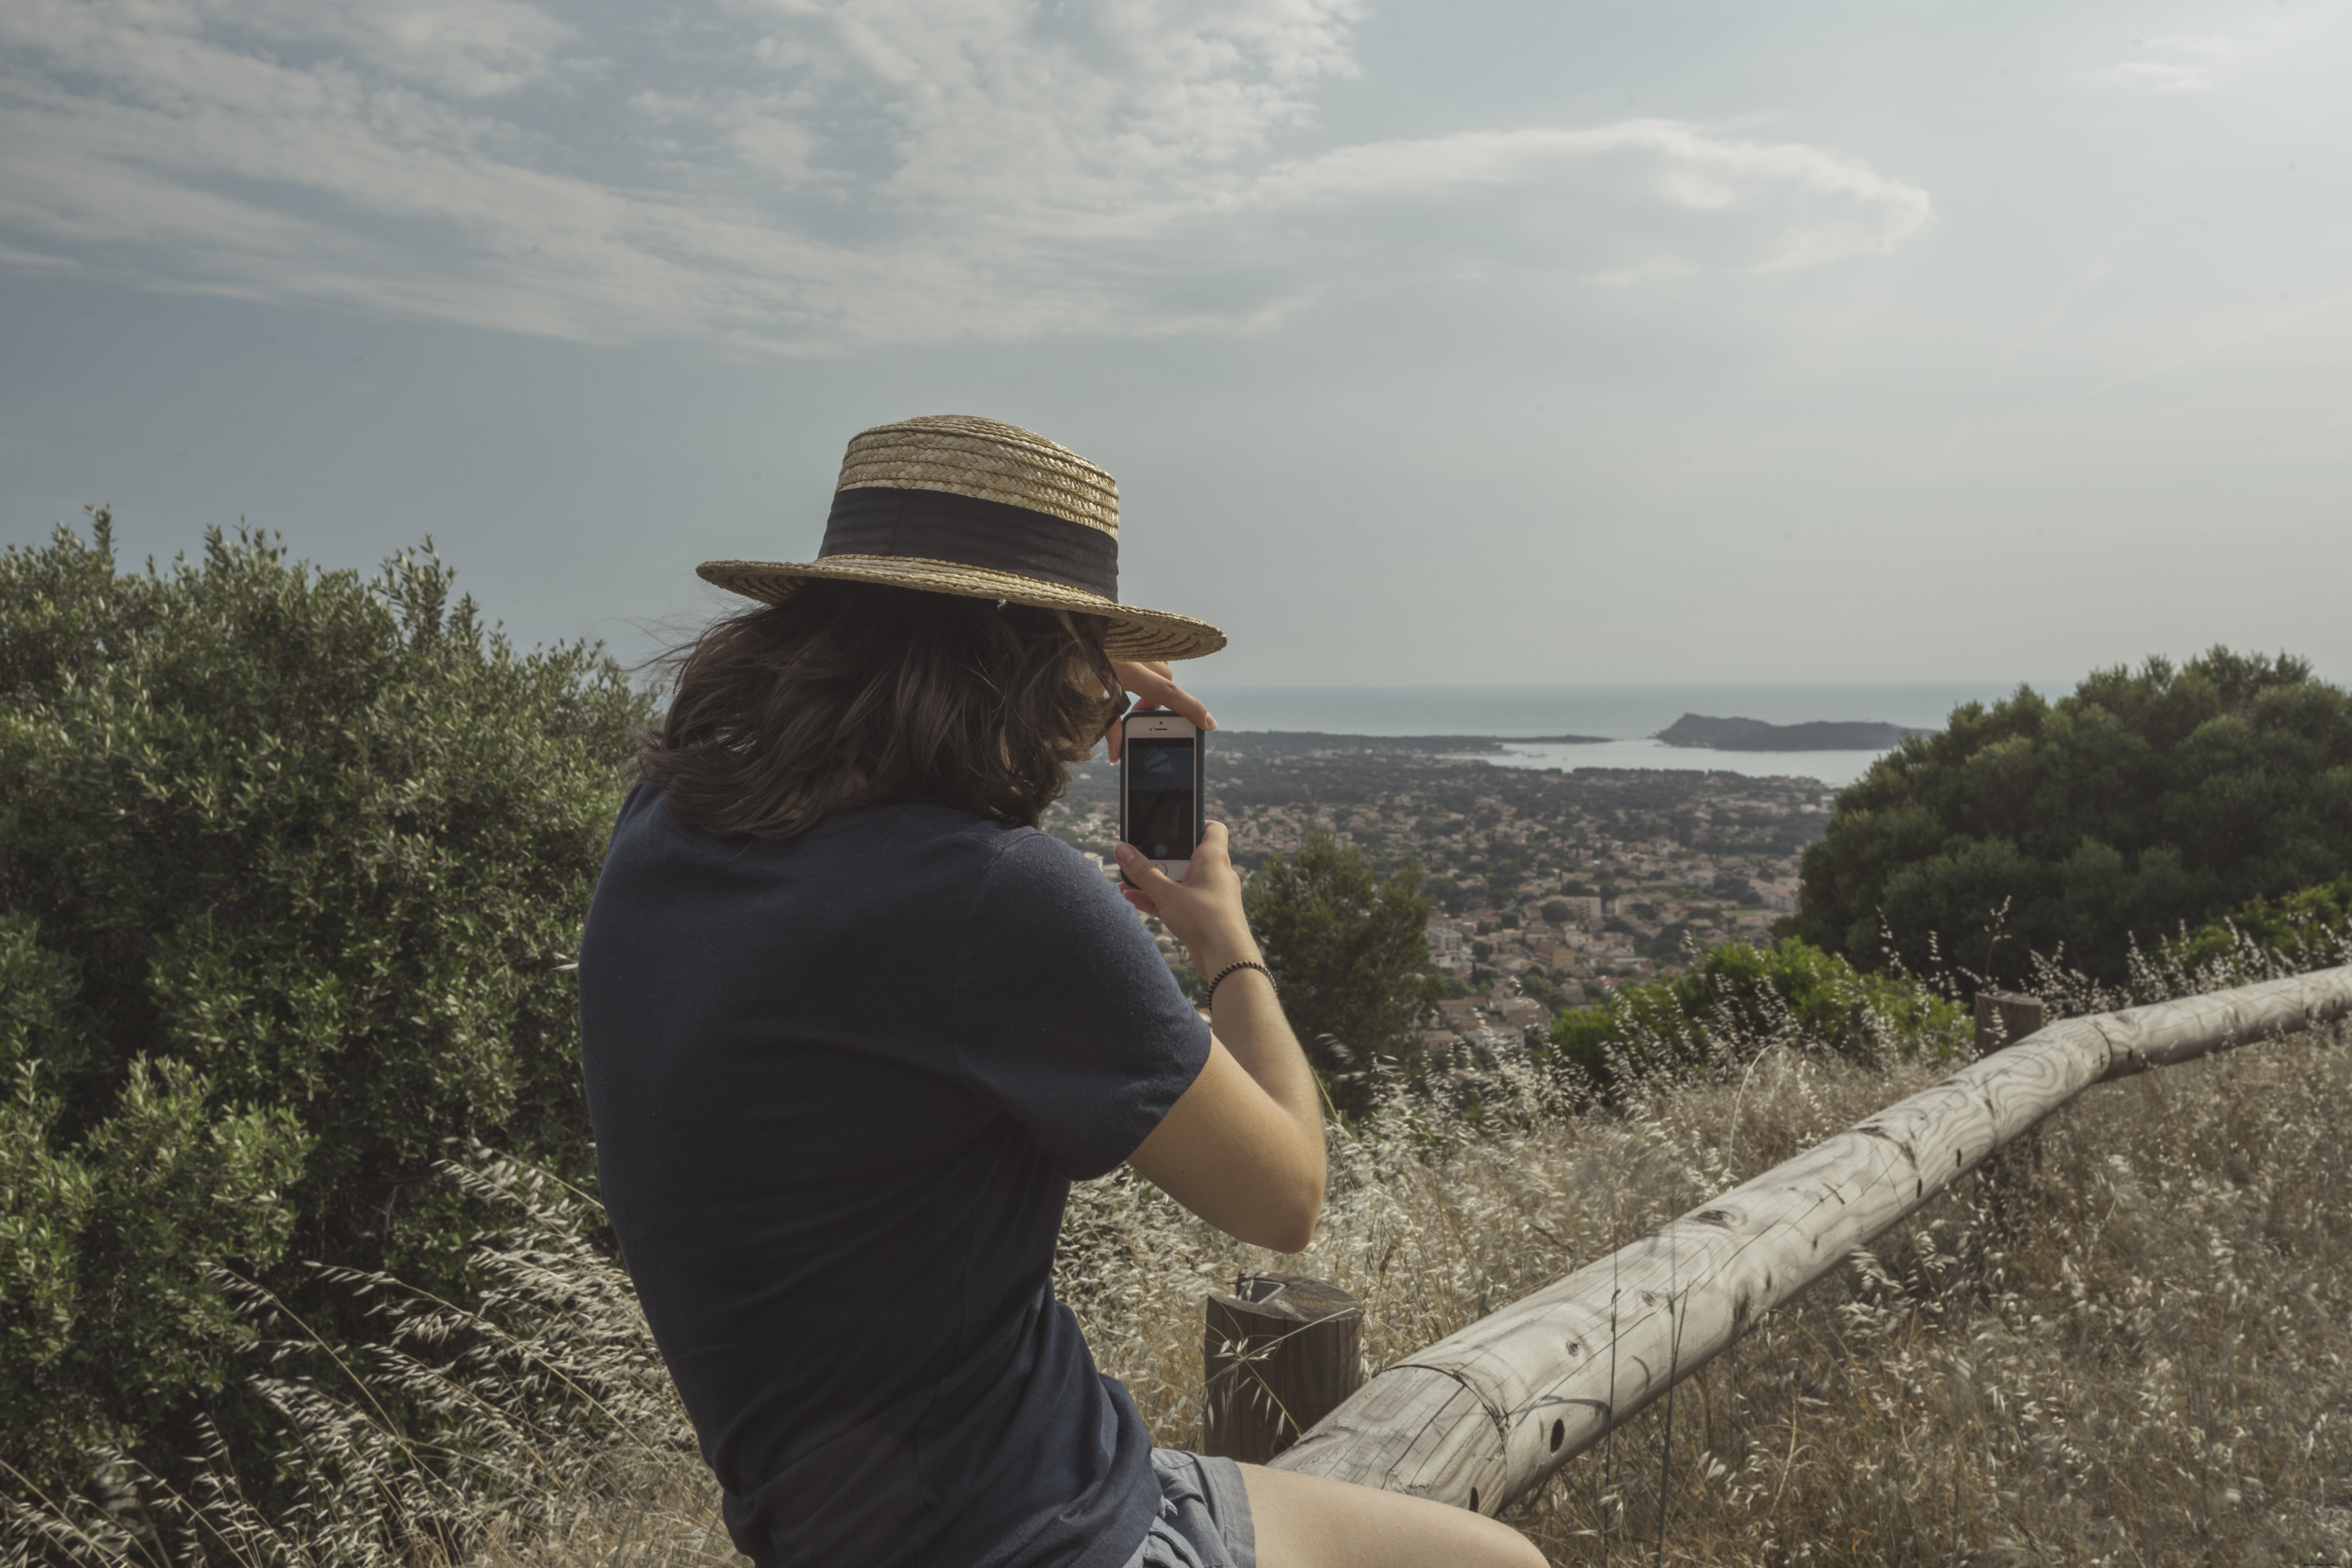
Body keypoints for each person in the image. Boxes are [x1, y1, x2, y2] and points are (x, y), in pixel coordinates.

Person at [577, 416, 1544, 1568]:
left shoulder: (663, 831)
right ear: (1026, 673)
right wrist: (1225, 939)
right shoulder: (993, 902)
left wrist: (1052, 667)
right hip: (1040, 1532)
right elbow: (1286, 1194)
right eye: (1086, 676)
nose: (1094, 741)